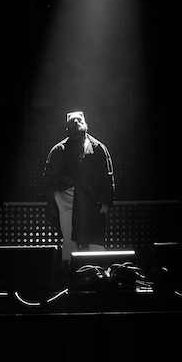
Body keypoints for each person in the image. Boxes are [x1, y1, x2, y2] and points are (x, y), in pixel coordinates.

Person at [42, 111, 115, 268]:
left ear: (86, 123)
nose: (76, 122)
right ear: (67, 127)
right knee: (69, 239)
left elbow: (107, 174)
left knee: (95, 238)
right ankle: (70, 274)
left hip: (92, 200)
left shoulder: (98, 148)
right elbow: (48, 177)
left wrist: (107, 198)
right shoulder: (58, 150)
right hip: (67, 199)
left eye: (79, 119)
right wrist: (57, 196)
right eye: (72, 121)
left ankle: (98, 273)